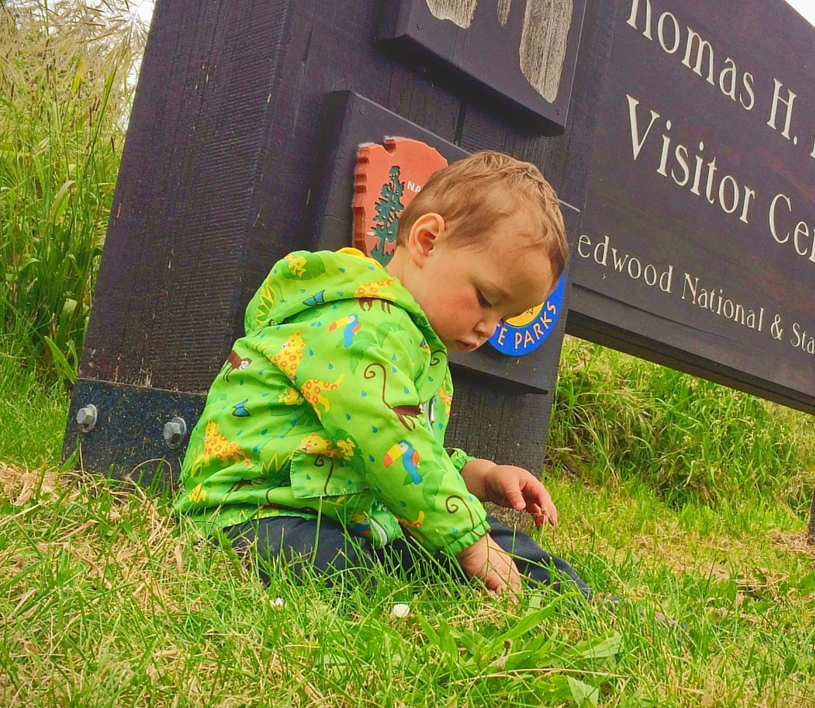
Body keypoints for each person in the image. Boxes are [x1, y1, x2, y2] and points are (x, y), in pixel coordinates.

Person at [173, 151, 587, 598]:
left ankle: (575, 597)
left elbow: (407, 458)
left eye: (507, 318)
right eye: (487, 299)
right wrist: (467, 541)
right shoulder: (357, 325)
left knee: (487, 535)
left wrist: (480, 477)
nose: (490, 328)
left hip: (348, 510)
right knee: (353, 569)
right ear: (427, 241)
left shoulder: (422, 350)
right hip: (254, 511)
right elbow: (388, 439)